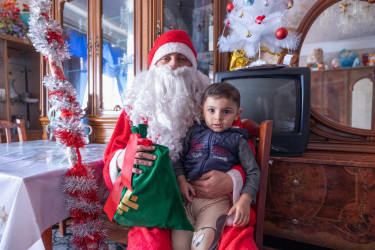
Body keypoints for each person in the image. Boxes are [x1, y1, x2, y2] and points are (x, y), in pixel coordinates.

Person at [103, 30, 258, 250]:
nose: (174, 64)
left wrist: (231, 180)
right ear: (154, 66)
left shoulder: (215, 106)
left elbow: (244, 153)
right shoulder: (136, 107)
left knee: (234, 243)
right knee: (149, 244)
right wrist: (122, 160)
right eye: (166, 58)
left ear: (194, 67)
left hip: (211, 197)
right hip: (154, 203)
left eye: (182, 58)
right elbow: (112, 154)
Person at [171, 82, 260, 250]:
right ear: (202, 110)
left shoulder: (238, 140)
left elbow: (253, 172)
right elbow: (177, 158)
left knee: (202, 246)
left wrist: (245, 199)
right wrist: (181, 180)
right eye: (211, 110)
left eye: (226, 111)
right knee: (179, 245)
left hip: (215, 202)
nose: (218, 117)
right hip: (186, 200)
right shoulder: (193, 133)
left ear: (237, 114)